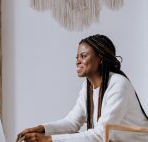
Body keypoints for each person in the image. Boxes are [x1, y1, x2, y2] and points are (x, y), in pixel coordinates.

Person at [17, 34, 148, 142]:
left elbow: (102, 134)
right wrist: (42, 129)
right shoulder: (88, 86)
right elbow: (73, 122)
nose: (78, 61)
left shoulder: (119, 84)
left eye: (83, 56)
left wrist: (48, 139)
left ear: (100, 59)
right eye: (77, 57)